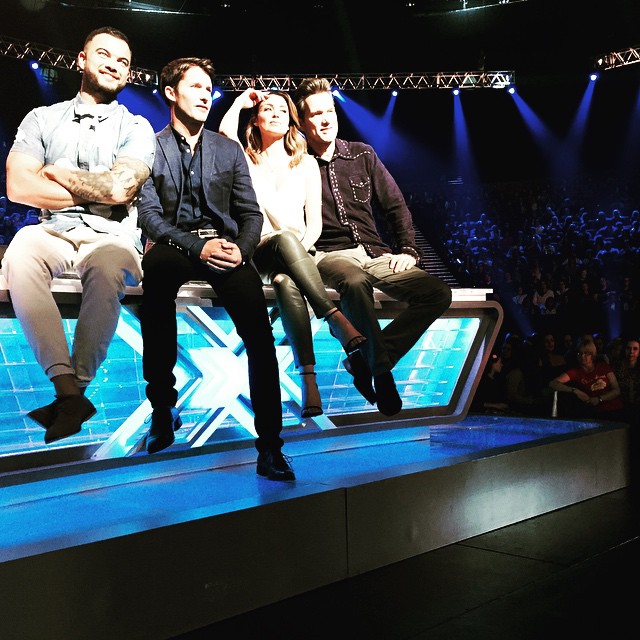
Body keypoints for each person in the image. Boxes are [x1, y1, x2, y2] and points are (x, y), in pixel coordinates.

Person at [137, 57, 294, 481]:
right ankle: (163, 406)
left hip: (225, 248)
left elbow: (250, 213)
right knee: (157, 279)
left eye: (209, 88)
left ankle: (270, 447)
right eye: (196, 87)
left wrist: (241, 251)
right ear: (171, 93)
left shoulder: (228, 149)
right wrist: (197, 247)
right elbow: (149, 217)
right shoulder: (149, 147)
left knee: (259, 334)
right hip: (174, 244)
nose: (206, 95)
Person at [2, 27, 156, 444]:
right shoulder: (41, 118)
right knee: (20, 251)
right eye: (104, 54)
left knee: (109, 266)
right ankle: (68, 391)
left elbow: (121, 189)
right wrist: (96, 187)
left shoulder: (137, 126)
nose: (114, 65)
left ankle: (75, 390)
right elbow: (18, 186)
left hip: (113, 235)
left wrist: (56, 173)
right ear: (82, 60)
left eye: (123, 61)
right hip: (53, 229)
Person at [294, 77, 452, 416]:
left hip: (373, 251)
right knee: (354, 281)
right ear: (302, 122)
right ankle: (382, 373)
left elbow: (395, 205)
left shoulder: (362, 154)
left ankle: (366, 361)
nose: (326, 119)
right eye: (316, 114)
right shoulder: (295, 162)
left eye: (330, 111)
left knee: (438, 293)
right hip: (327, 254)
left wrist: (407, 250)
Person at [218, 88, 366, 419]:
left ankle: (308, 381)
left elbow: (314, 225)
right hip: (258, 251)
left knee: (285, 282)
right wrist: (241, 101)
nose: (275, 114)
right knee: (283, 241)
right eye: (267, 109)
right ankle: (334, 317)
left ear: (290, 122)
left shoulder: (306, 164)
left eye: (282, 111)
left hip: (296, 255)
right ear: (255, 121)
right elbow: (225, 131)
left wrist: (298, 248)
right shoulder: (246, 159)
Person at [549, 339, 624, 420]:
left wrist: (599, 399)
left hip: (615, 408)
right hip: (595, 414)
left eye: (586, 353)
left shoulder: (603, 366)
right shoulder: (575, 372)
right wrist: (575, 390)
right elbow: (553, 383)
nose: (582, 356)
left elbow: (617, 390)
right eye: (579, 353)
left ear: (592, 355)